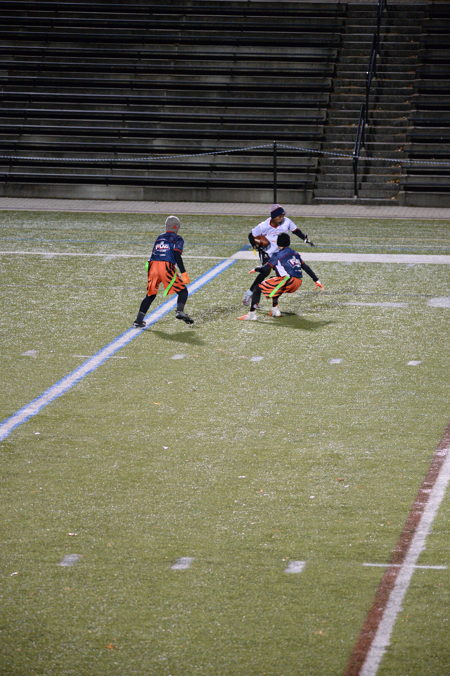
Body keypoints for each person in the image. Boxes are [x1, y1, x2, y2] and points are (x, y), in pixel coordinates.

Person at [242, 204, 318, 306]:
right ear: (273, 216)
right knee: (265, 272)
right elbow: (251, 235)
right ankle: (250, 294)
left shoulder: (287, 221)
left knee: (281, 277)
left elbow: (296, 231)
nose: (282, 218)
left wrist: (305, 239)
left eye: (283, 216)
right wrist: (256, 246)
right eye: (279, 216)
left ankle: (273, 304)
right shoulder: (263, 226)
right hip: (267, 252)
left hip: (281, 253)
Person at [238, 233, 323, 320]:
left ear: (278, 243)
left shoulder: (277, 255)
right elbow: (305, 267)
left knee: (257, 288)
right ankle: (275, 310)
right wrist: (316, 280)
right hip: (297, 282)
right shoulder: (295, 253)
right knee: (274, 280)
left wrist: (256, 269)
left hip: (287, 280)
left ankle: (251, 314)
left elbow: (265, 269)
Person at [132, 215, 194, 327]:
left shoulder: (160, 237)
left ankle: (138, 320)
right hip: (165, 266)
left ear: (166, 226)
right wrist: (184, 273)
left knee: (150, 294)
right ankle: (179, 311)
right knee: (183, 291)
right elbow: (177, 254)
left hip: (152, 266)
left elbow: (154, 252)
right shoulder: (178, 238)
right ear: (177, 227)